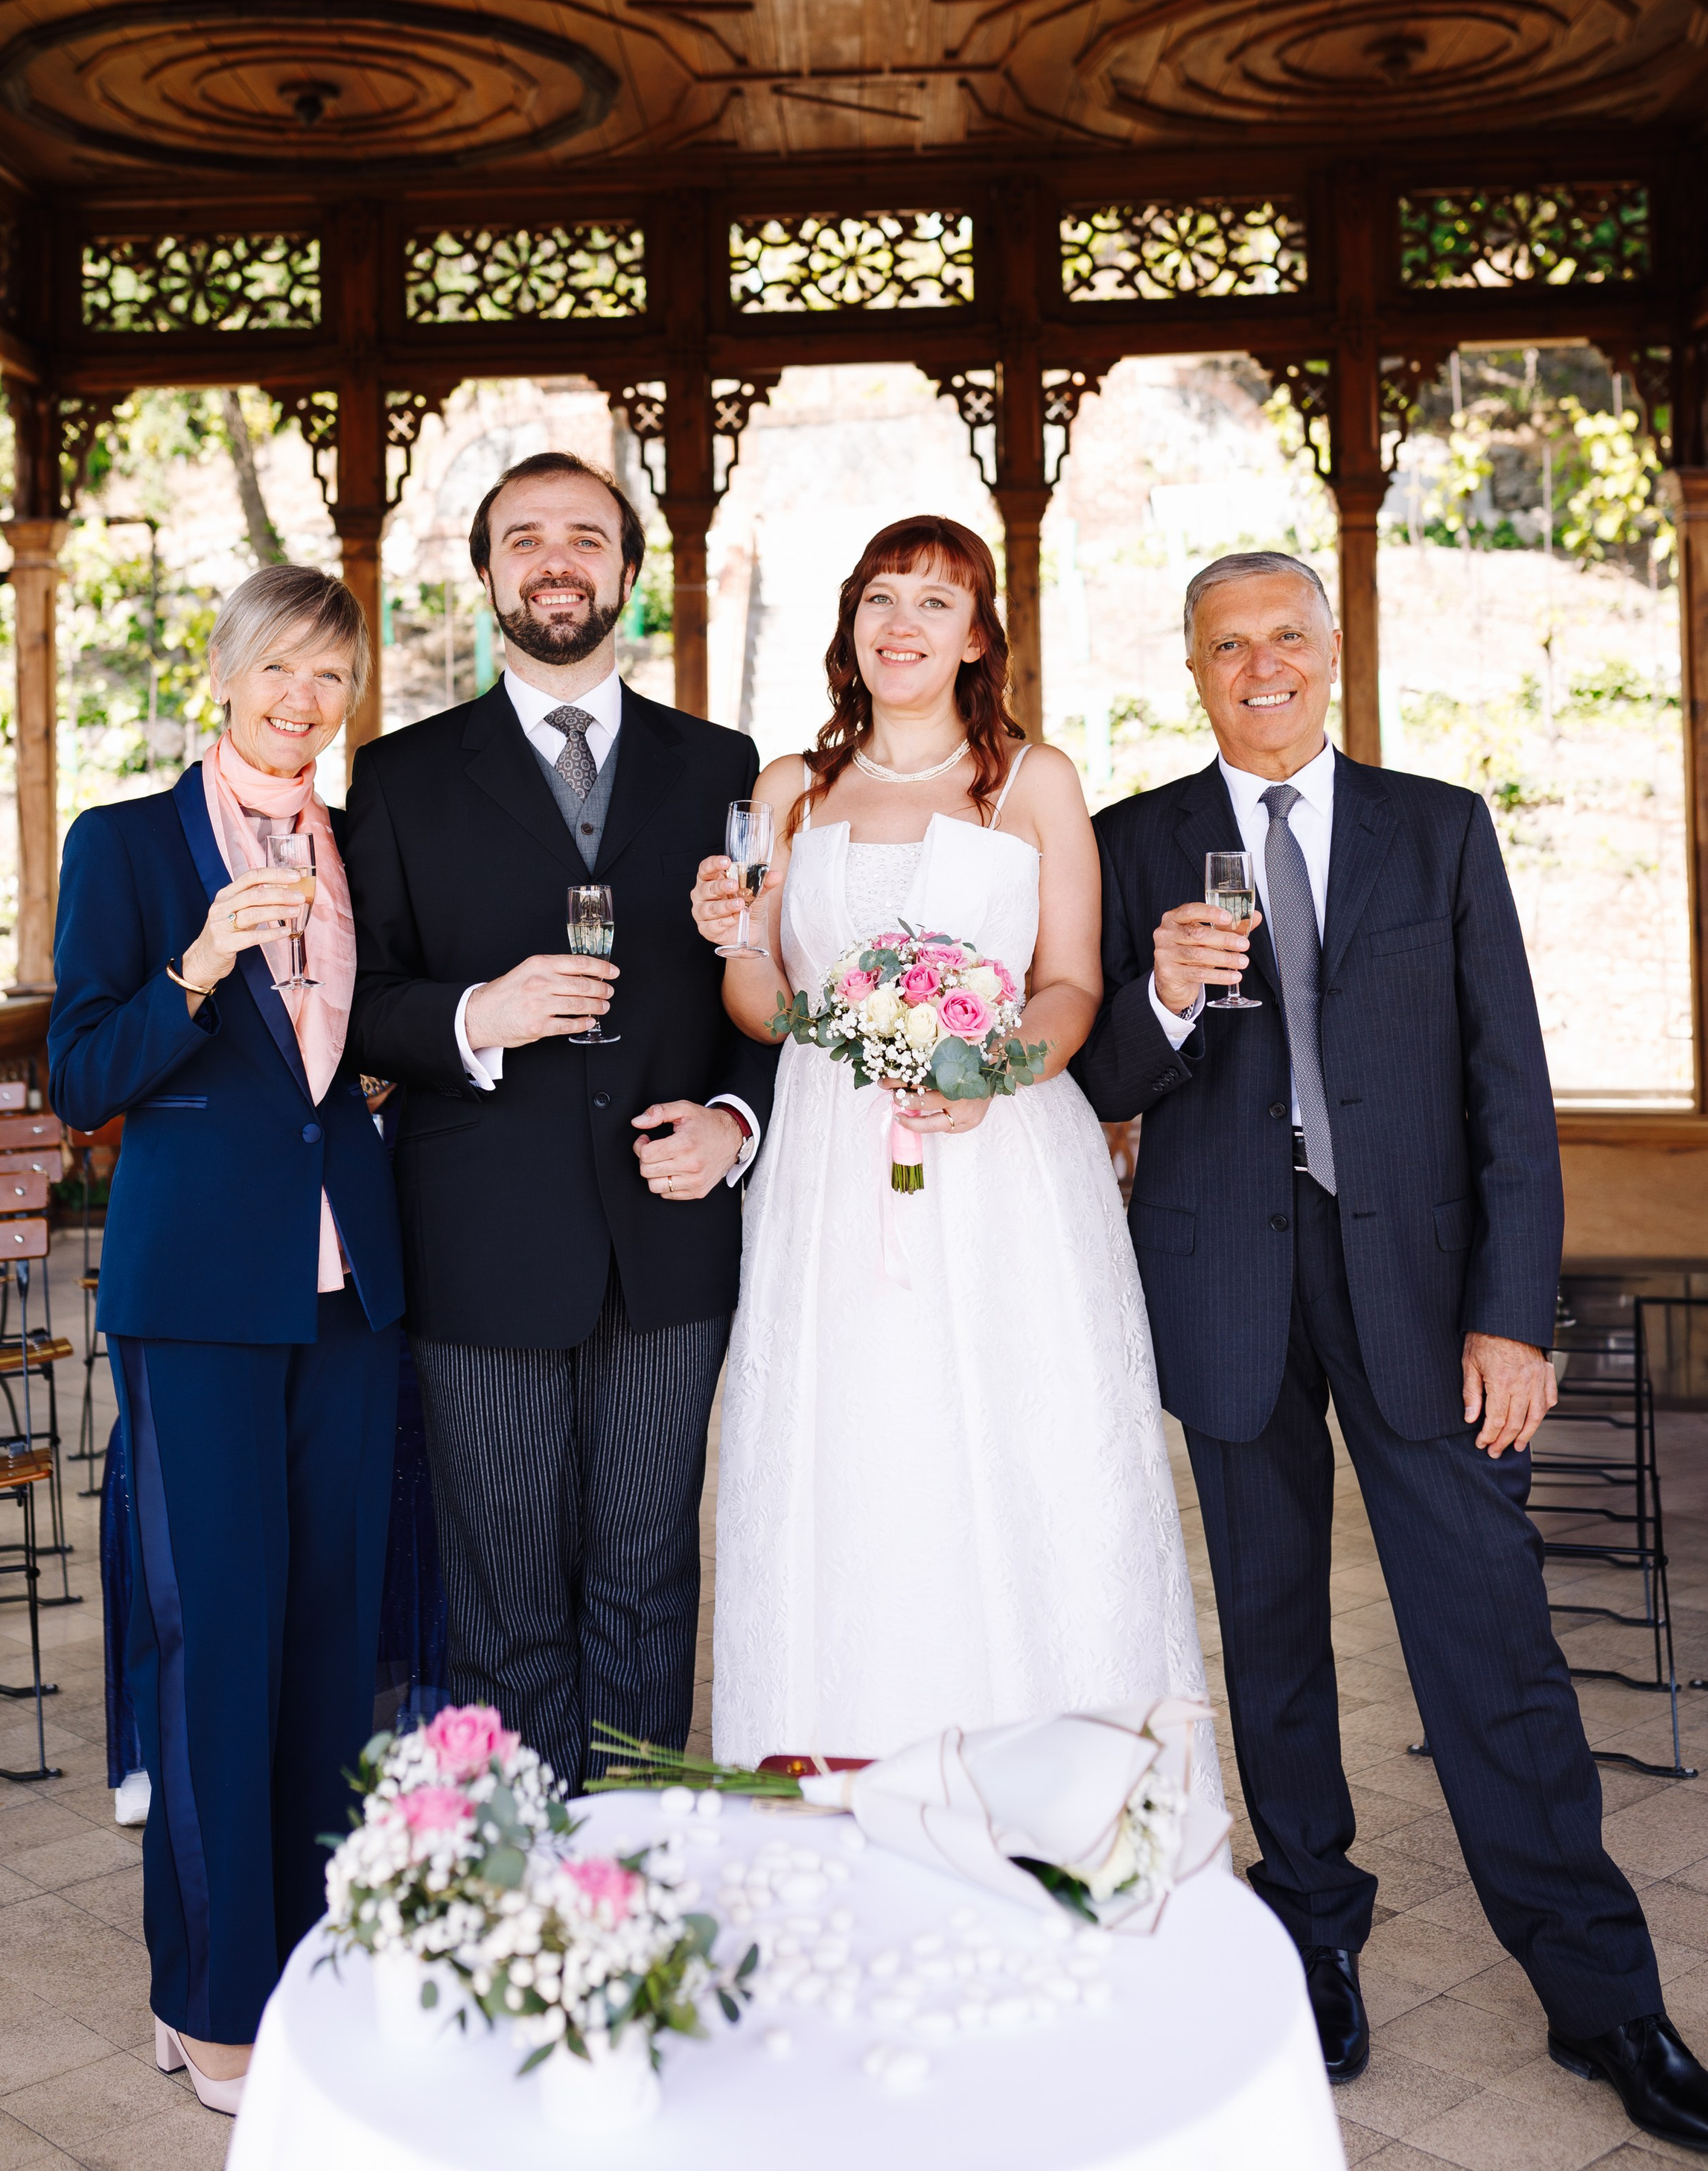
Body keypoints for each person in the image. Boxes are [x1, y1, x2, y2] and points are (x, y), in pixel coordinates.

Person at [1074, 546, 1708, 2148]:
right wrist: (1151, 1001)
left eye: (1285, 636)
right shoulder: (1129, 841)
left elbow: (1508, 1083)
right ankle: (1310, 1938)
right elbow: (1081, 1087)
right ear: (1193, 667)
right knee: (1271, 1645)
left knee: (1487, 1639)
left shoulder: (1438, 828)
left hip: (1424, 1296)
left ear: (1331, 648)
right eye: (1227, 645)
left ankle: (1600, 1995)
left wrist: (1512, 1313)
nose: (1260, 665)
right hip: (1223, 1288)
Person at [691, 515, 1217, 1775]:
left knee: (1023, 1452)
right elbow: (759, 1000)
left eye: (936, 602)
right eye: (881, 597)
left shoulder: (1036, 782)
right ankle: (836, 1784)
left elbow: (1075, 985)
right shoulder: (787, 790)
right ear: (850, 624)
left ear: (977, 636)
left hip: (1002, 1165)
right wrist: (739, 944)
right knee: (852, 1457)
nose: (904, 624)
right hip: (829, 1164)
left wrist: (985, 1070)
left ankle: (1060, 1789)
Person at [344, 452, 777, 1796]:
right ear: (486, 576)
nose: (555, 560)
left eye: (585, 537)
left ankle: (639, 1866)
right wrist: (479, 1012)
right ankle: (534, 1892)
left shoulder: (723, 763)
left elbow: (770, 986)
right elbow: (359, 1009)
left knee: (650, 1578)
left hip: (669, 1241)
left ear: (628, 575)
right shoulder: (402, 775)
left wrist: (731, 1123)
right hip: (481, 1244)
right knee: (507, 1596)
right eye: (523, 537)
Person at [50, 565, 404, 2119]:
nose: (302, 702)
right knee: (217, 1643)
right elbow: (78, 1073)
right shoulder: (124, 843)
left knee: (330, 1638)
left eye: (330, 677)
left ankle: (314, 1970)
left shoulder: (360, 845)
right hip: (194, 1294)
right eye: (278, 670)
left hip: (348, 1290)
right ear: (224, 676)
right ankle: (206, 1997)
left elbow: (362, 1049)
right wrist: (196, 965)